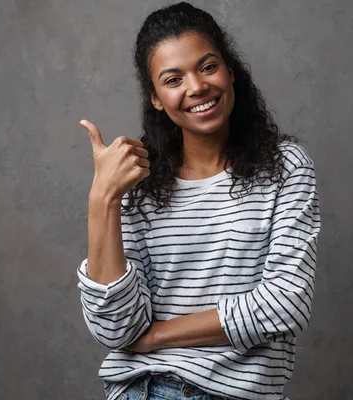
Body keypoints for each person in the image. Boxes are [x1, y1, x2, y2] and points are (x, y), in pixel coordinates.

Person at [77, 3, 321, 400]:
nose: (196, 87)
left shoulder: (285, 166)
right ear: (156, 98)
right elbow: (116, 330)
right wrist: (102, 199)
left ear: (231, 71)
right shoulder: (136, 187)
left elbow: (286, 302)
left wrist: (155, 336)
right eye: (173, 79)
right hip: (142, 391)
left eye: (207, 67)